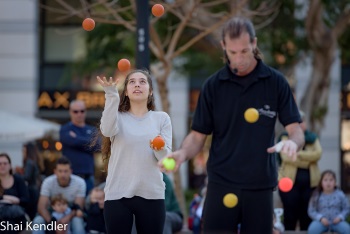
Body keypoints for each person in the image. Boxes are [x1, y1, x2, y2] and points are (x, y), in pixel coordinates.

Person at [159, 16, 305, 234]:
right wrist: (182, 154)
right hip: (221, 182)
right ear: (223, 47)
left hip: (260, 185)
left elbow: (296, 131)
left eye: (245, 51)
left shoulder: (276, 83)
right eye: (233, 52)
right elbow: (197, 137)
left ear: (254, 44)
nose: (239, 59)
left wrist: (293, 143)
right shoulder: (213, 86)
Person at [97, 69, 172, 234]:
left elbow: (166, 161)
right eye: (132, 82)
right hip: (117, 194)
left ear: (150, 91)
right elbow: (107, 131)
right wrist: (111, 95)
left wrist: (159, 149)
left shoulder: (162, 118)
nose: (137, 84)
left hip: (152, 194)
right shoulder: (117, 117)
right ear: (126, 92)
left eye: (142, 81)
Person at [278, 110, 322, 230]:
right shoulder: (285, 137)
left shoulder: (313, 138)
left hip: (310, 184)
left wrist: (298, 154)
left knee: (306, 213)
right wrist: (308, 158)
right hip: (288, 183)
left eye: (302, 122)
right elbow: (286, 156)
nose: (300, 125)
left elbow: (318, 154)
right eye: (297, 122)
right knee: (290, 212)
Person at [32, 156, 86, 234]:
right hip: (52, 214)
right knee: (38, 221)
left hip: (70, 214)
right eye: (60, 171)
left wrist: (65, 220)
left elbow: (78, 207)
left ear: (71, 171)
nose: (63, 174)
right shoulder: (48, 182)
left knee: (77, 222)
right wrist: (54, 223)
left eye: (65, 171)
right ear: (55, 172)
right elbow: (41, 207)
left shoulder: (80, 183)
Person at [59, 99, 100, 195]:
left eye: (82, 111)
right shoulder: (65, 129)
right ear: (70, 112)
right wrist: (88, 143)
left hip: (88, 177)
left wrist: (76, 138)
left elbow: (98, 146)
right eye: (75, 111)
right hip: (70, 177)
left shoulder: (92, 129)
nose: (79, 114)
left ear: (85, 112)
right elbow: (70, 141)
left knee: (89, 205)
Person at [0, 153, 30, 234]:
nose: (2, 166)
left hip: (16, 216)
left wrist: (17, 201)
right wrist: (5, 198)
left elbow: (26, 200)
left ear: (10, 165)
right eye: (0, 164)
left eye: (5, 163)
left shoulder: (18, 180)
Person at [15, 142, 41, 220]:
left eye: (24, 150)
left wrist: (16, 175)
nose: (22, 152)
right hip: (35, 191)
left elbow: (26, 177)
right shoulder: (33, 161)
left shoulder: (29, 162)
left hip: (31, 192)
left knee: (31, 215)